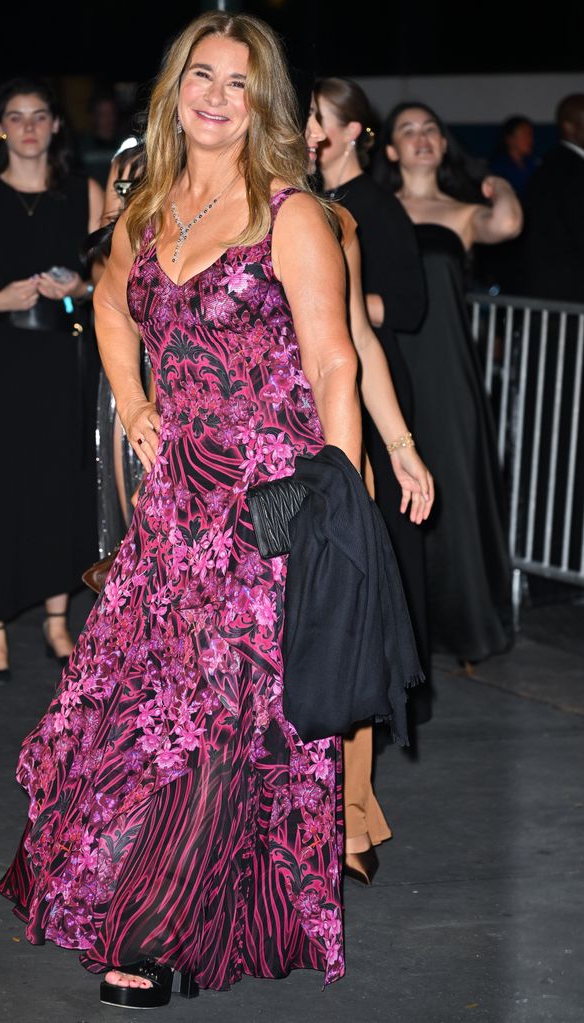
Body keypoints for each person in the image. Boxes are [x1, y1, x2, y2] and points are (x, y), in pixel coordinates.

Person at [0, 11, 428, 1008]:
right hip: (173, 507)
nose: (217, 97)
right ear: (173, 89)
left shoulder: (292, 215)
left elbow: (332, 358)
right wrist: (139, 402)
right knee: (146, 708)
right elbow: (109, 306)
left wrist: (336, 494)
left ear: (261, 102)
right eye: (203, 75)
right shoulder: (145, 209)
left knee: (223, 715)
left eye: (239, 82)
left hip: (266, 507)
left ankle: (154, 931)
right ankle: (175, 899)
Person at [304, 95, 434, 883]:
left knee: (337, 630)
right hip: (233, 457)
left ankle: (349, 817)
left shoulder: (336, 221)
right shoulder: (210, 212)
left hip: (328, 444)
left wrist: (402, 447)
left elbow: (357, 340)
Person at [0, 77, 104, 683]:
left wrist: (81, 289)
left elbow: (106, 279)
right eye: (17, 117)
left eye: (40, 116)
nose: (30, 127)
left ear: (56, 126)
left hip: (64, 358)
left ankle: (57, 618)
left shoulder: (84, 194)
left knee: (60, 485)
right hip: (3, 360)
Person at [375, 101, 522, 664]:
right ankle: (400, 626)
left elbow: (506, 223)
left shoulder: (460, 212)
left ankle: (463, 625)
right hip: (386, 362)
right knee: (392, 490)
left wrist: (497, 183)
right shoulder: (373, 209)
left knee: (452, 486)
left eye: (429, 129)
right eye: (407, 131)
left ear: (442, 143)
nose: (420, 138)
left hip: (446, 366)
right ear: (389, 149)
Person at [311, 77, 430, 701]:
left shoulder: (373, 207)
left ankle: (392, 680)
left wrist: (322, 301)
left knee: (383, 531)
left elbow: (407, 306)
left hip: (367, 372)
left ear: (353, 130)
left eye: (320, 118)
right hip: (333, 373)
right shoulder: (310, 200)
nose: (308, 129)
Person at [522, 93, 584, 302]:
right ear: (569, 127)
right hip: (569, 296)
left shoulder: (550, 167)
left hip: (549, 293)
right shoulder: (572, 172)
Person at [489, 115, 537, 199]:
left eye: (530, 135)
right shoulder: (498, 166)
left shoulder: (532, 163)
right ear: (509, 139)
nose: (530, 140)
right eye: (525, 134)